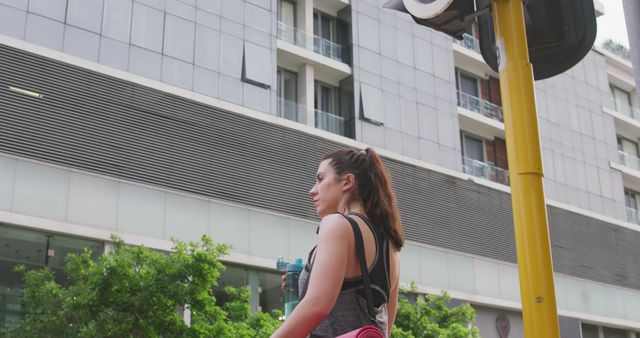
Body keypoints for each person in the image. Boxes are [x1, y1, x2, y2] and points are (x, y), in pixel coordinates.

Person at [271, 148, 404, 338]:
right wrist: (307, 279)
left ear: (347, 182)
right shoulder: (391, 249)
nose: (312, 190)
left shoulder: (336, 224)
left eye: (320, 179)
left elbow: (317, 306)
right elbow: (383, 329)